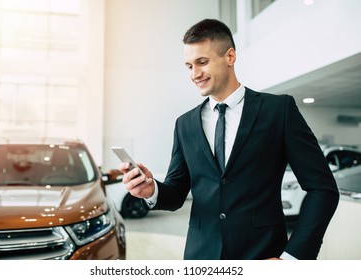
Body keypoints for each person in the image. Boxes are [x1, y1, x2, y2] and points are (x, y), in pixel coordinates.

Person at [118, 19, 339, 260]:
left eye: (202, 62)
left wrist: (292, 258)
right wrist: (151, 190)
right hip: (201, 257)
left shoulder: (278, 111)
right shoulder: (185, 124)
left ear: (230, 57)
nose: (195, 74)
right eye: (189, 66)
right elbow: (177, 192)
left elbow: (323, 189)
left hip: (264, 255)